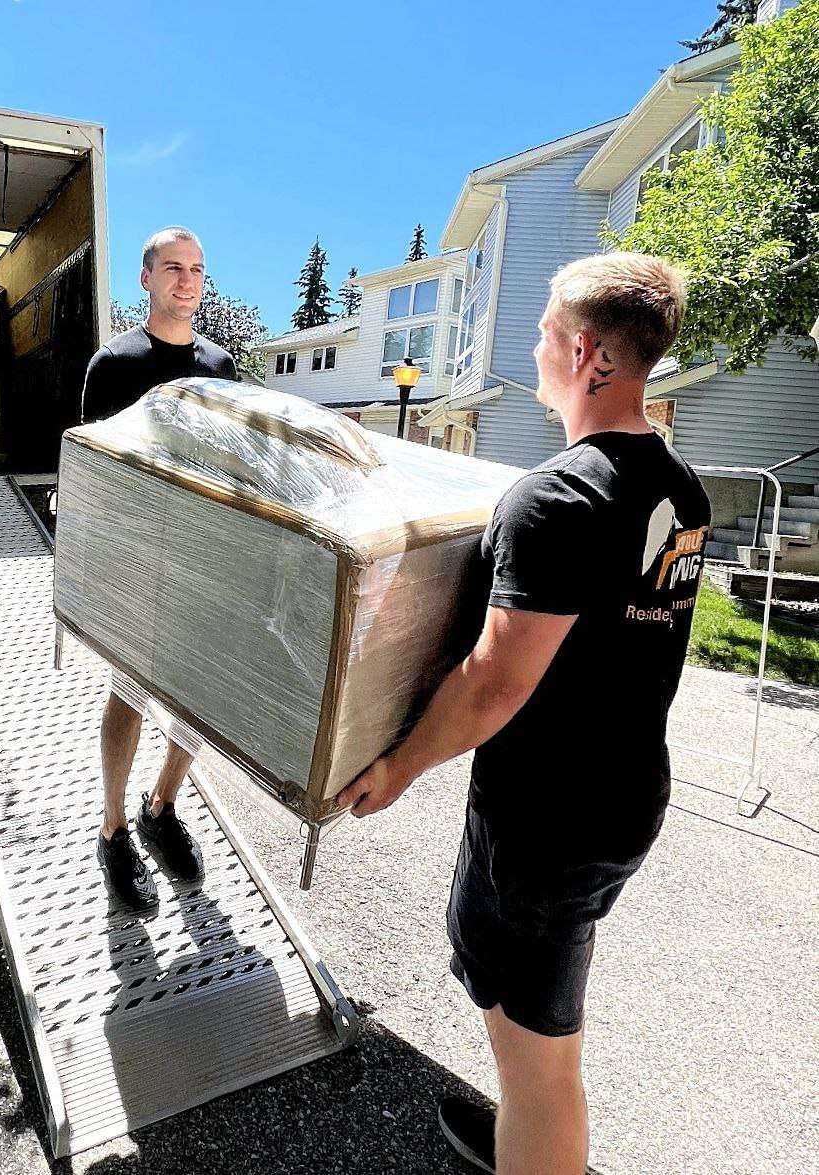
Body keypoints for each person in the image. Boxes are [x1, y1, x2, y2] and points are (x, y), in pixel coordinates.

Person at [340, 252, 710, 1175]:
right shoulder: (678, 488)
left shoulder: (555, 497)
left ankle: (538, 1148)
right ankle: (523, 1137)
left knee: (541, 1054)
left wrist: (396, 764)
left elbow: (494, 683)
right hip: (623, 796)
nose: (535, 349)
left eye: (545, 333)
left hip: (548, 820)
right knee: (534, 1022)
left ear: (586, 354)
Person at [81, 225, 237, 912]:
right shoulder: (112, 364)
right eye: (172, 267)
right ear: (145, 278)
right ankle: (113, 828)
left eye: (197, 269)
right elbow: (94, 471)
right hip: (138, 557)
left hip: (205, 555)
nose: (186, 280)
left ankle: (160, 806)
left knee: (200, 699)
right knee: (130, 693)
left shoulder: (220, 366)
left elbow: (236, 464)